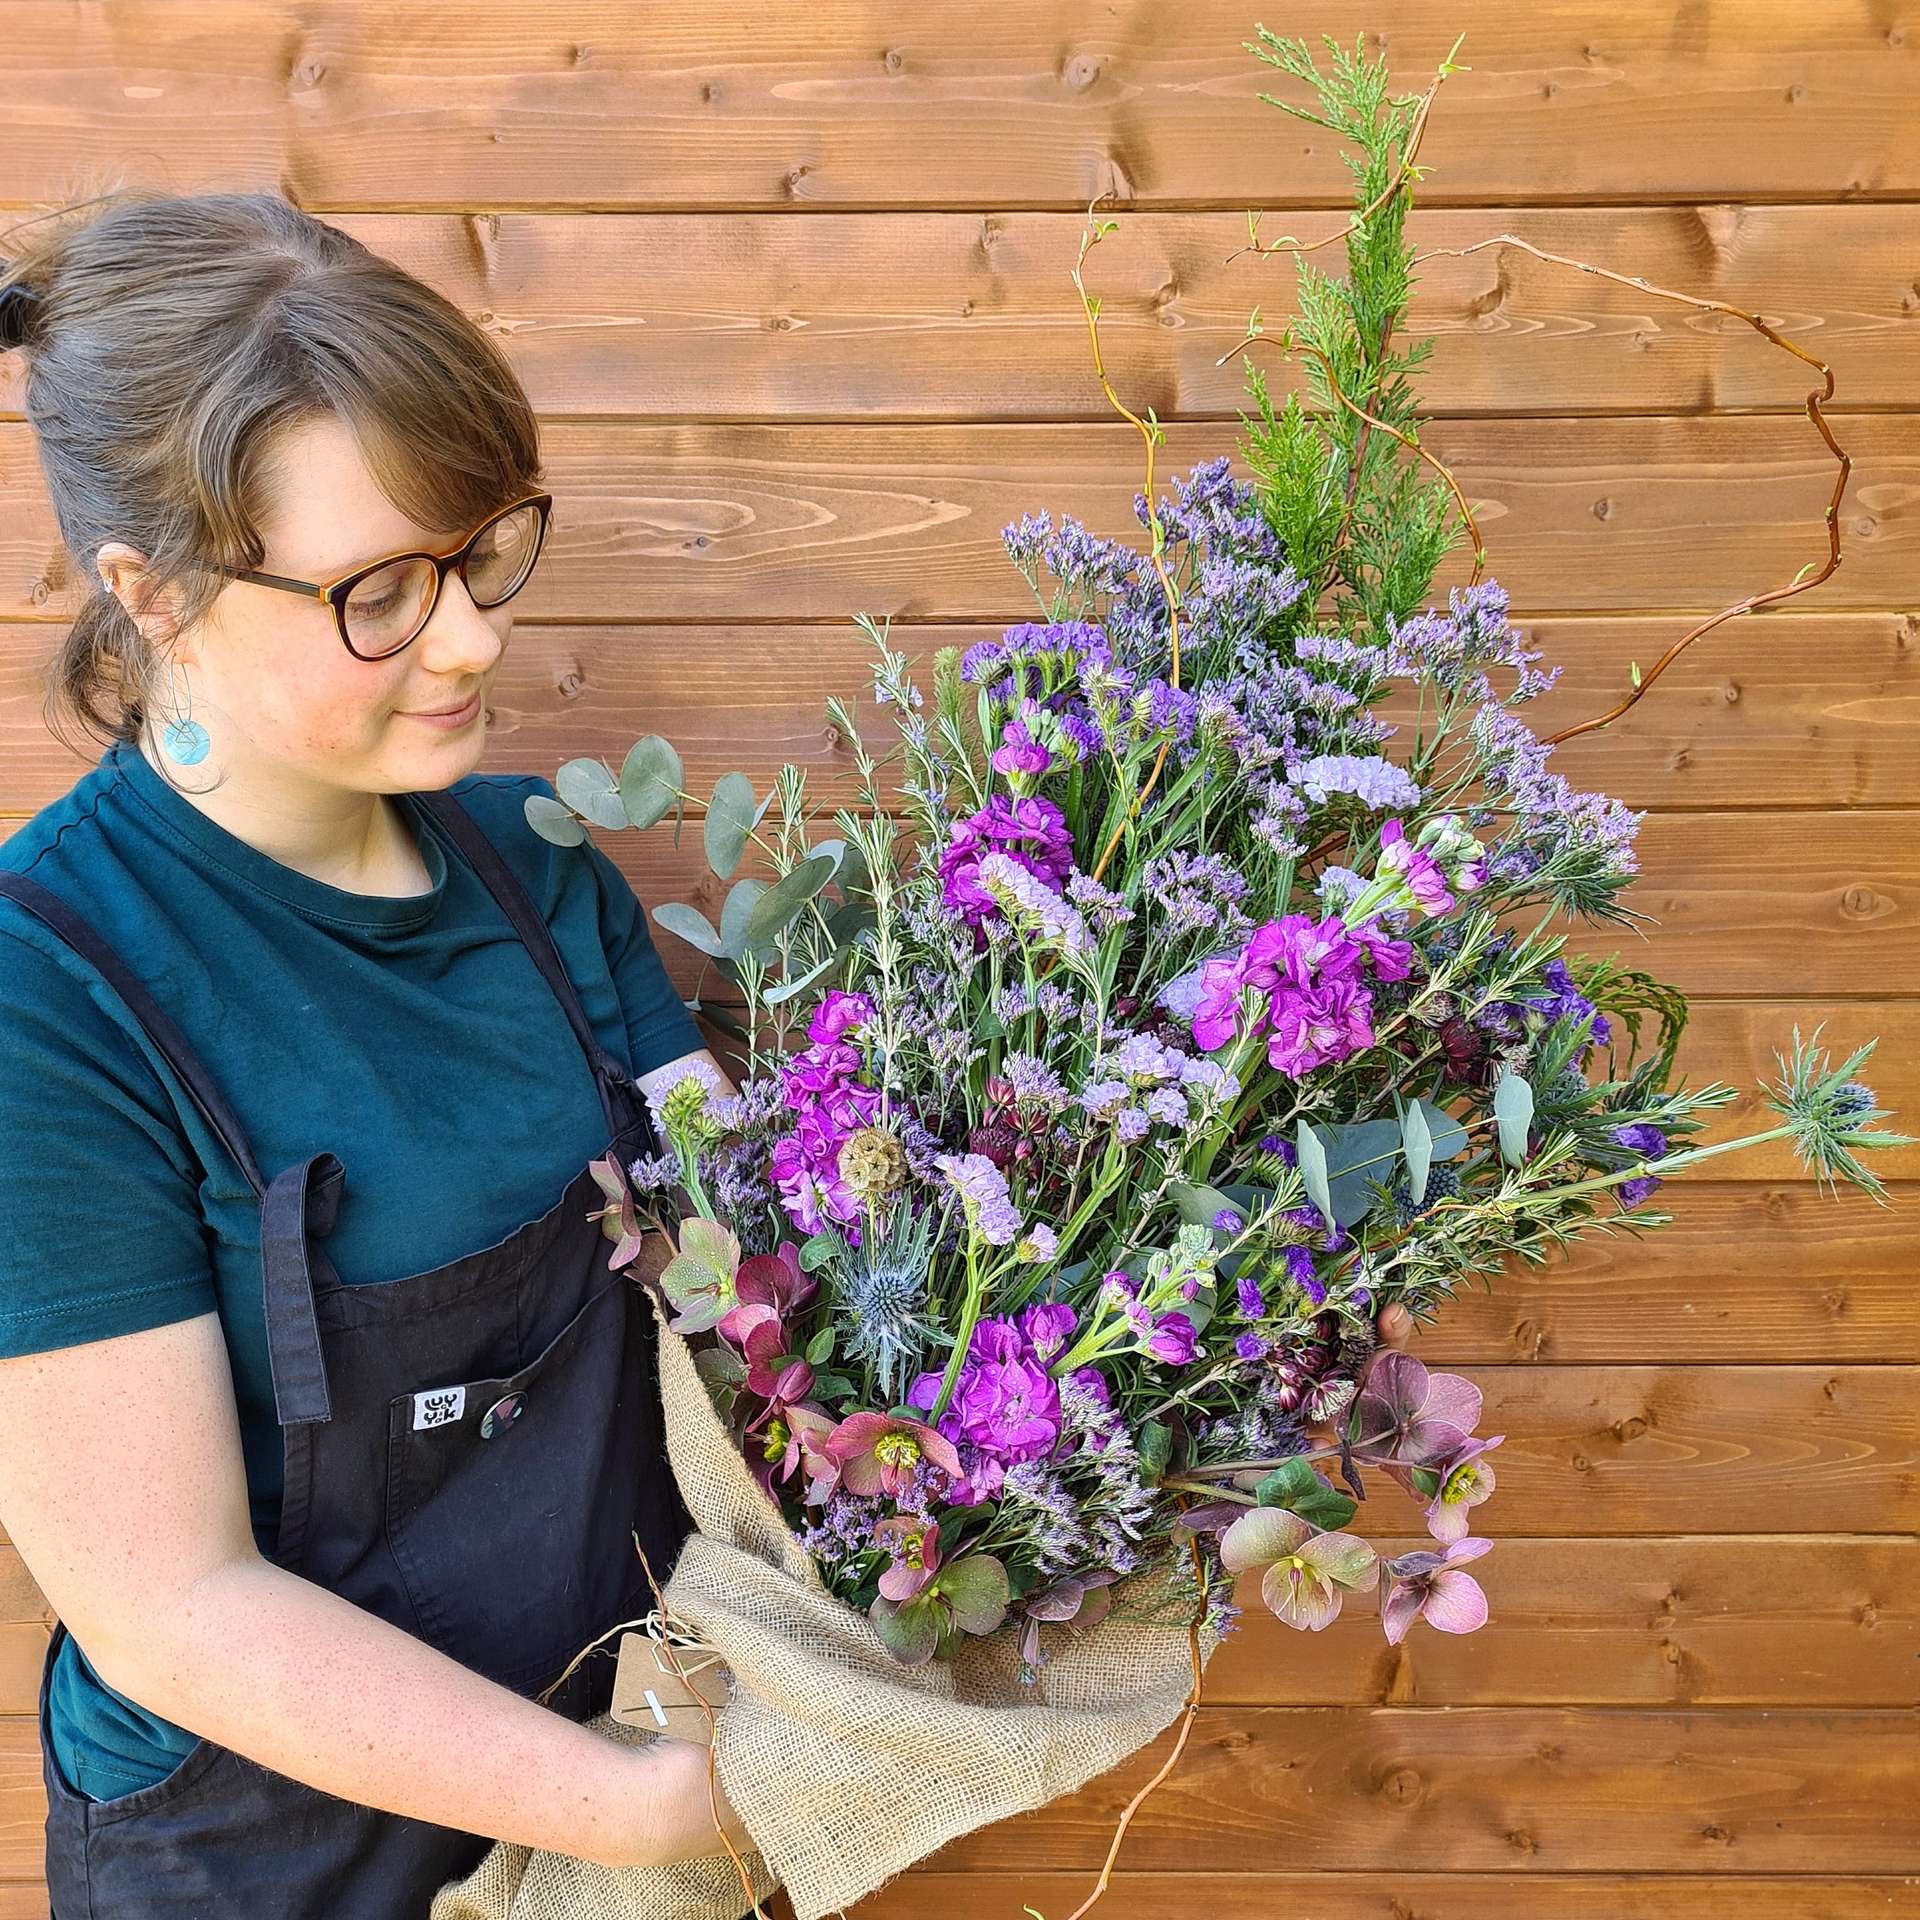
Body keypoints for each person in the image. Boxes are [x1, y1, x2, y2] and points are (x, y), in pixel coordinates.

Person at [0, 188, 755, 1917]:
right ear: (155, 591)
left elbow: (753, 1261)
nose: (477, 638)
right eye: (382, 591)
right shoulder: (47, 986)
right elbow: (168, 1602)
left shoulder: (549, 866)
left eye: (485, 550)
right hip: (269, 1855)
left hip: (621, 1772)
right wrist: (637, 1814)